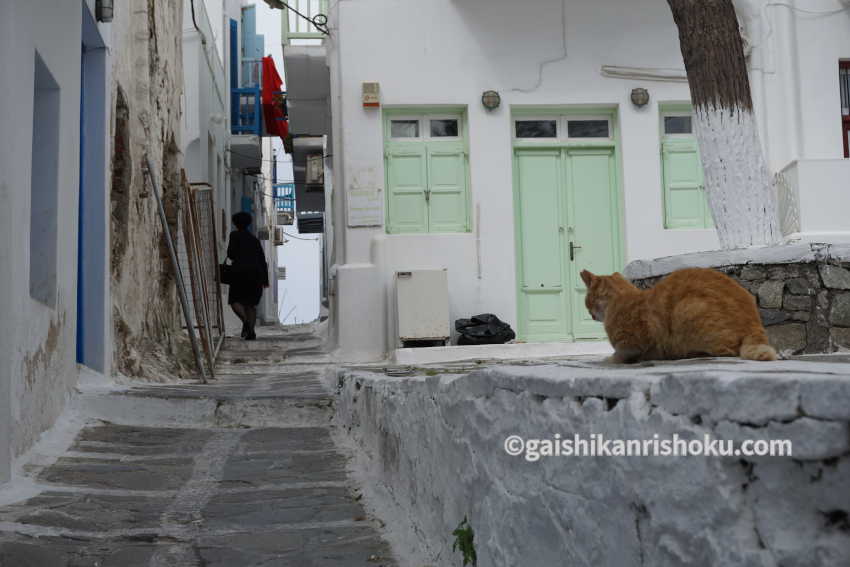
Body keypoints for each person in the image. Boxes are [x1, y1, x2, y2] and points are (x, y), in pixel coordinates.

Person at [226, 212, 269, 340]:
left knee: (234, 301)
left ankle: (246, 322)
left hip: (239, 273)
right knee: (251, 305)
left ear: (235, 223)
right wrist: (265, 280)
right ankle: (251, 332)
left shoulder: (234, 235)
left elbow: (231, 254)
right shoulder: (255, 240)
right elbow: (262, 260)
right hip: (256, 275)